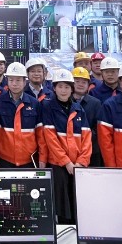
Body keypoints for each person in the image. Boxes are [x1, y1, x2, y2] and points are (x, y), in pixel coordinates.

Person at [40, 68, 91, 224]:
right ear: (54, 88)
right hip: (58, 164)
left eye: (67, 87)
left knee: (78, 205)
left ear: (72, 88)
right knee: (62, 207)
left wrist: (81, 162)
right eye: (60, 86)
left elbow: (87, 137)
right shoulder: (48, 107)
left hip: (78, 165)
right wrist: (66, 162)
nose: (63, 90)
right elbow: (50, 139)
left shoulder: (79, 109)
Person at [0, 62, 45, 168]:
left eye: (18, 80)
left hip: (29, 160)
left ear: (25, 82)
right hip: (4, 160)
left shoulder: (35, 104)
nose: (14, 84)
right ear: (7, 81)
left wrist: (42, 157)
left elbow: (40, 134)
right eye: (11, 80)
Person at [70, 67, 104, 167]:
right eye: (77, 81)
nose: (80, 84)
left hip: (91, 151)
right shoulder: (65, 102)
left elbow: (98, 129)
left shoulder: (96, 103)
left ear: (88, 85)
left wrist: (84, 140)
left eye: (84, 82)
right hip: (69, 150)